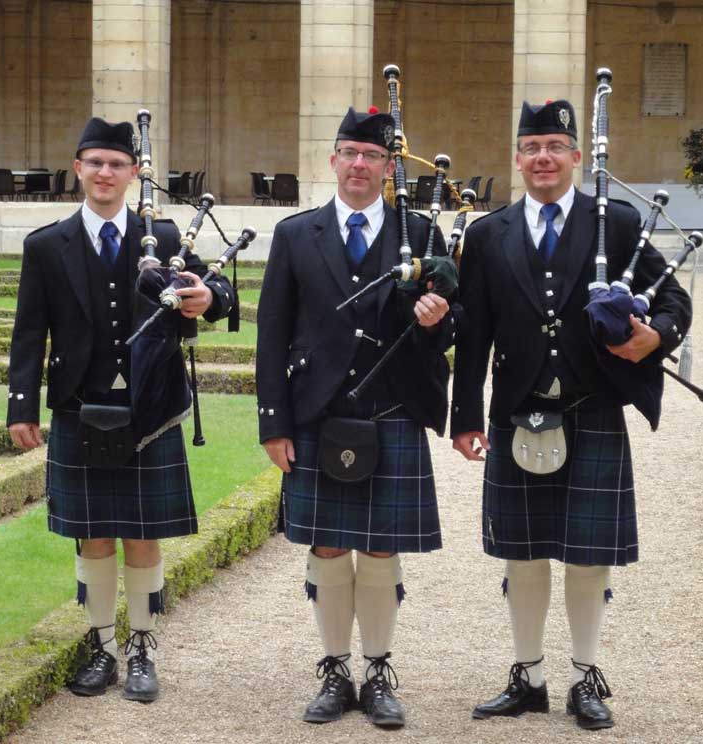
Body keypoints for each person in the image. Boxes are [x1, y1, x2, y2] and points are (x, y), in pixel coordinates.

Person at [451, 99, 691, 730]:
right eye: (531, 147)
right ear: (518, 158)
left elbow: (673, 298)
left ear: (577, 157)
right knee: (523, 557)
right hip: (518, 411)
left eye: (555, 146)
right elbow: (472, 336)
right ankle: (528, 677)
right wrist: (465, 417)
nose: (543, 158)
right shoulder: (488, 233)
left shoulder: (615, 220)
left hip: (593, 410)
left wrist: (655, 336)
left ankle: (586, 678)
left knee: (589, 557)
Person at [7, 117, 235, 703]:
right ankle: (101, 646)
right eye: (95, 162)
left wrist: (208, 298)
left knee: (142, 536)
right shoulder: (45, 246)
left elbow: (221, 294)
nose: (105, 173)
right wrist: (21, 406)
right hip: (79, 406)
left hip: (150, 407)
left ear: (134, 174)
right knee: (93, 535)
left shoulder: (162, 236)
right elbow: (29, 333)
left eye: (116, 164)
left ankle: (141, 650)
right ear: (77, 168)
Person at [255, 107, 459, 728]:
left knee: (378, 547)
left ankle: (377, 671)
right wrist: (275, 423)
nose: (359, 165)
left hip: (390, 407)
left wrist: (436, 320)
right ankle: (335, 669)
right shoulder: (296, 234)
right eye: (349, 152)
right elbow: (272, 333)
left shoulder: (420, 233)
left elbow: (452, 325)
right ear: (333, 160)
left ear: (389, 166)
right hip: (319, 410)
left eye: (372, 156)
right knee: (326, 545)